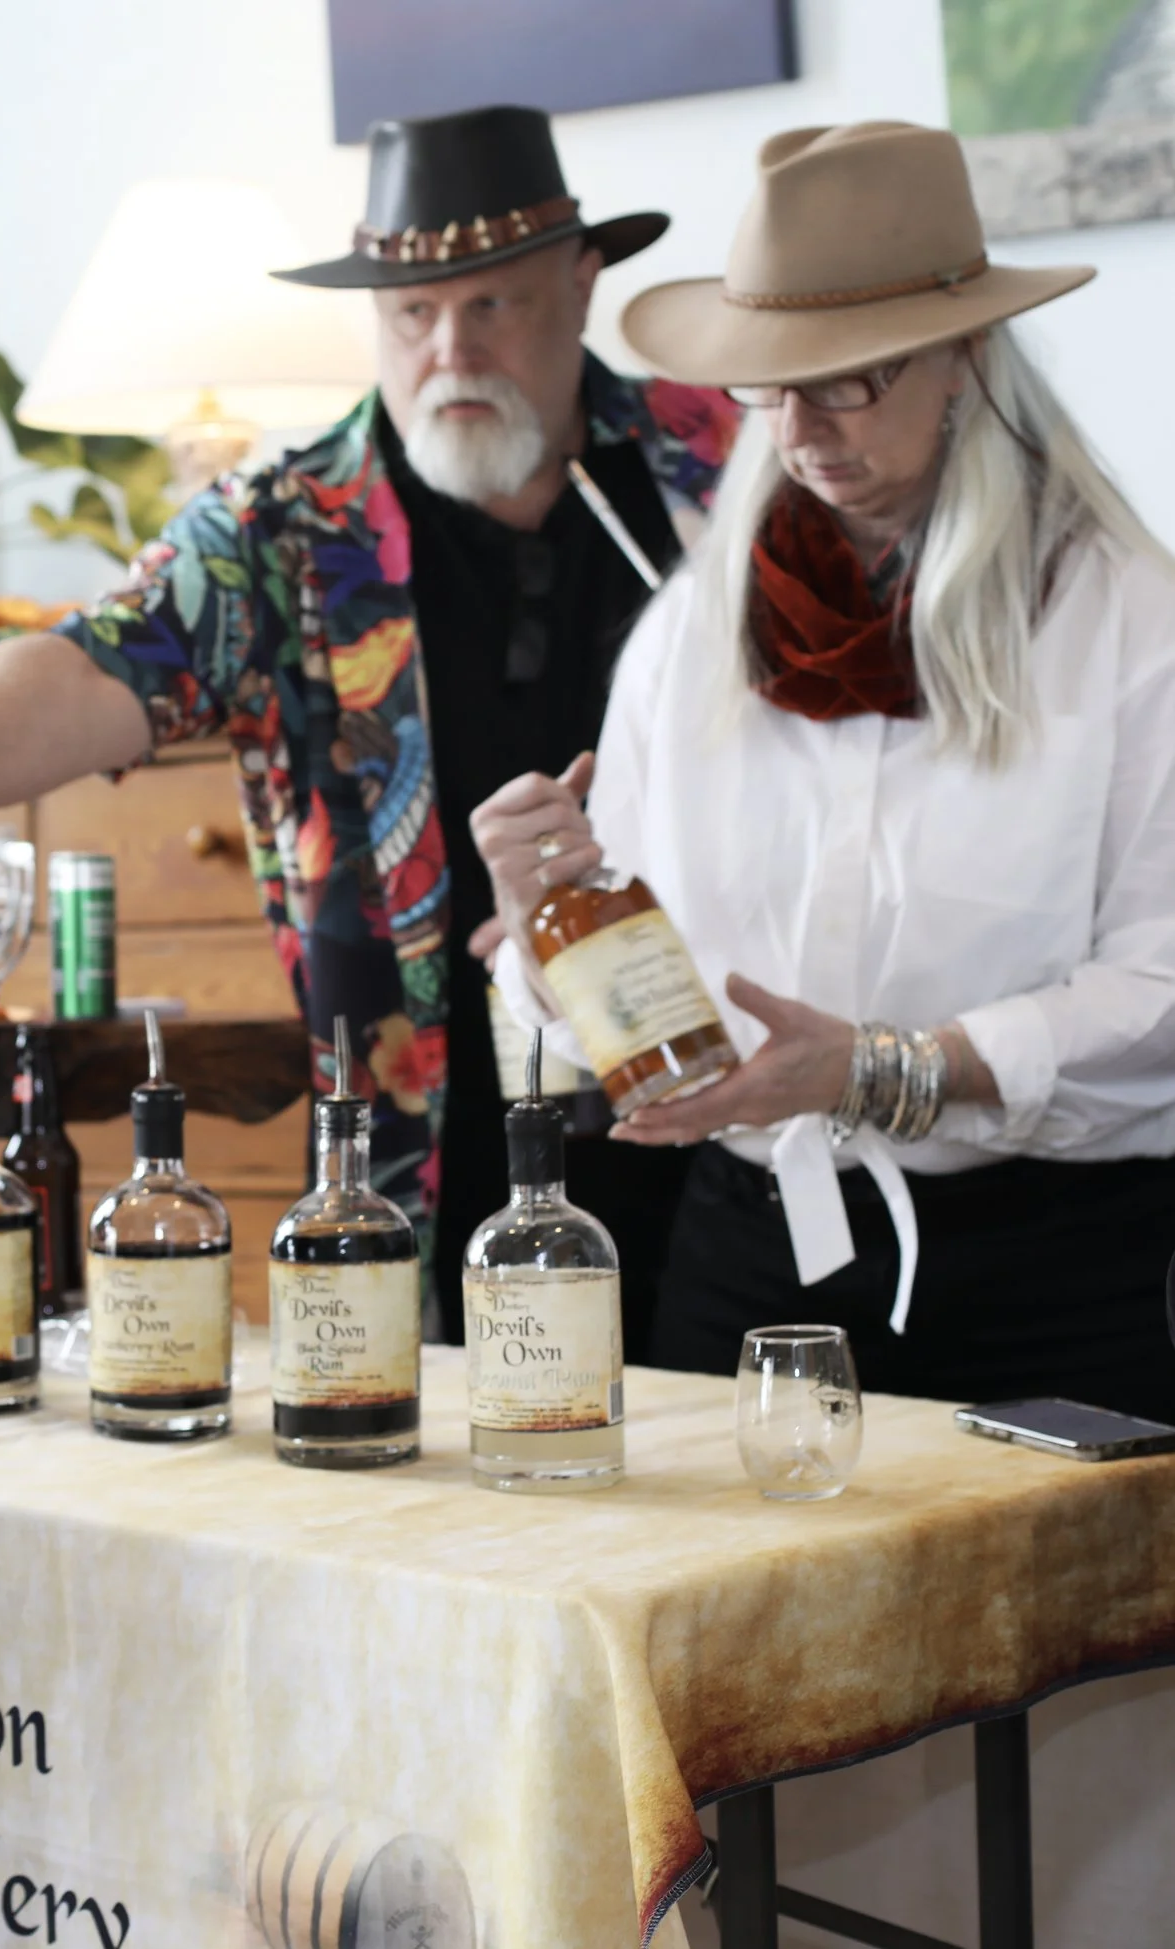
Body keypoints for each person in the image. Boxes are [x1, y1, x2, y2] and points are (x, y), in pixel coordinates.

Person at [0, 105, 739, 1340]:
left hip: (743, 1118)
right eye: (411, 315)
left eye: (493, 305)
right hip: (427, 1146)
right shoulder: (286, 526)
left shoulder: (723, 465)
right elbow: (95, 666)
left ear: (580, 288)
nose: (449, 351)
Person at [475, 121, 1175, 1420]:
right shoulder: (694, 632)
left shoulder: (1130, 622)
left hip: (1061, 1286)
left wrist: (882, 1069)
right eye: (771, 381)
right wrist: (543, 928)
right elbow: (603, 1011)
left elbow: (1163, 992)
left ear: (969, 354)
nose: (799, 426)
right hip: (747, 1263)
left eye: (851, 377)